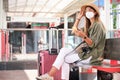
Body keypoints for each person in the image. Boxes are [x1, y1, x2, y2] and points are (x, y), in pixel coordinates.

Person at [36, 3, 106, 80]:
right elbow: (74, 30)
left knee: (65, 59)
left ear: (95, 12)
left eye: (90, 10)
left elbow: (92, 44)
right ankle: (50, 75)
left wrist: (83, 36)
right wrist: (78, 18)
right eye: (86, 11)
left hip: (93, 56)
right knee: (63, 50)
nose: (87, 12)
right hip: (86, 52)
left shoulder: (98, 25)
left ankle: (50, 75)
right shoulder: (89, 25)